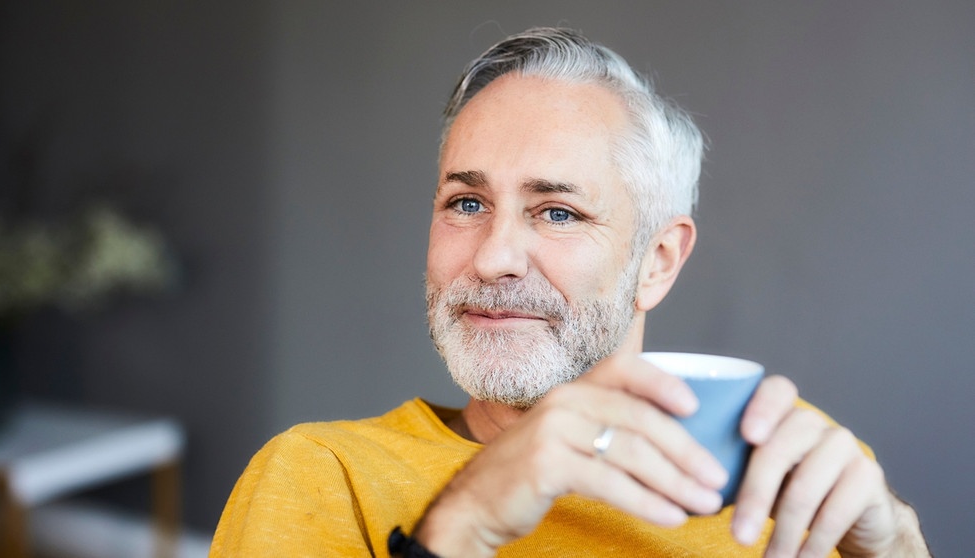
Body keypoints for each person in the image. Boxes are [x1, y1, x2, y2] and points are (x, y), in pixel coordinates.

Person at [210, 27, 929, 557]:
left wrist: (895, 542)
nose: (494, 257)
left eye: (558, 212)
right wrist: (464, 525)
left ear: (658, 260)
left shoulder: (798, 482)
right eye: (466, 203)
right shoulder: (322, 474)